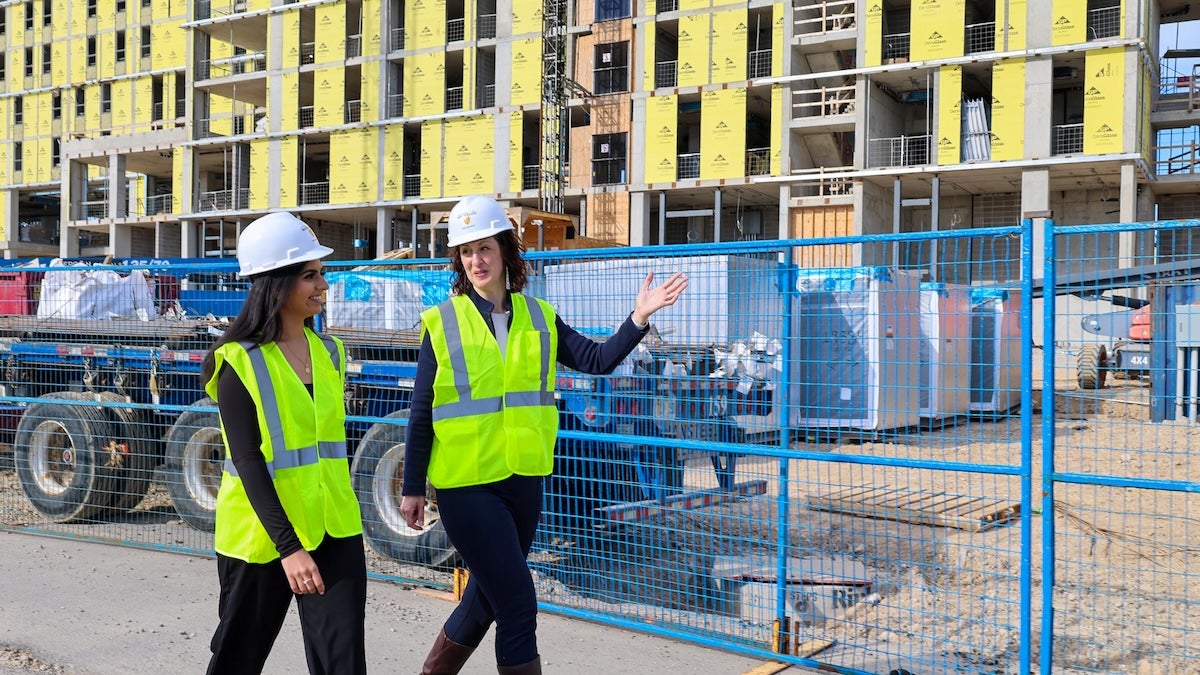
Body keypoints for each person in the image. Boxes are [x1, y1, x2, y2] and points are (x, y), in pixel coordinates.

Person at [400, 195, 688, 674]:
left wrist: (638, 318)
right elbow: (420, 411)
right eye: (467, 252)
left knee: (486, 600)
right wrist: (411, 487)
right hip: (465, 485)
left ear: (506, 252)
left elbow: (597, 360)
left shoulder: (539, 316)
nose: (477, 261)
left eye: (485, 249)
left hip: (523, 481)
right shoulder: (443, 322)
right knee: (517, 604)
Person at [199, 212, 367, 675]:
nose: (323, 285)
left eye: (321, 274)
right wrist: (289, 549)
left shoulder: (330, 352)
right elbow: (249, 463)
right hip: (261, 541)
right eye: (310, 275)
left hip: (334, 528)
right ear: (276, 283)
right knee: (237, 662)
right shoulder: (236, 363)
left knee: (344, 665)